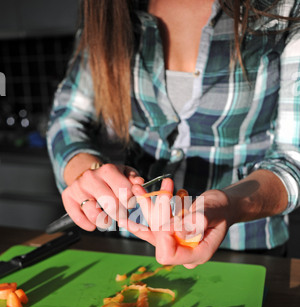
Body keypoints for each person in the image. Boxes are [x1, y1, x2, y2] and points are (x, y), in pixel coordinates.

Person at [47, 0, 300, 268]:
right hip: (126, 245)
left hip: (246, 253)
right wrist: (87, 171)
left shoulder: (285, 6)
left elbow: (293, 159)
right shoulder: (110, 9)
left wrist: (228, 206)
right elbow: (68, 119)